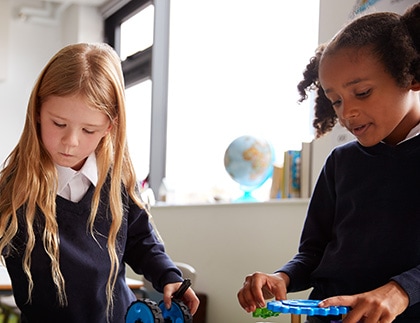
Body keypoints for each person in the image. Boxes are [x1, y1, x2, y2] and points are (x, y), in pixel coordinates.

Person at [238, 3, 420, 323]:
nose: (346, 112)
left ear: (412, 76)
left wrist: (399, 291)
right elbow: (313, 253)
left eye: (361, 92)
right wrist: (283, 278)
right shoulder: (340, 162)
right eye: (335, 100)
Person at [0, 43, 199, 322]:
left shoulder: (117, 182)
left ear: (109, 127)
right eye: (58, 124)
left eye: (88, 130)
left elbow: (141, 239)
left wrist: (168, 276)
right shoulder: (12, 189)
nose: (71, 142)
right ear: (37, 112)